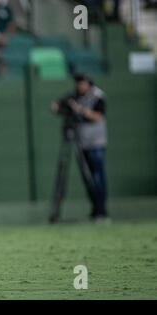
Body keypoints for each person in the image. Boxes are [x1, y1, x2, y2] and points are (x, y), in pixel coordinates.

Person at [50, 74, 108, 223]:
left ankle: (101, 211)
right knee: (87, 177)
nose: (80, 87)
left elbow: (98, 117)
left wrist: (81, 110)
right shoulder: (74, 95)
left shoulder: (97, 96)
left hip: (95, 143)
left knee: (96, 178)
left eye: (82, 84)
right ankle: (95, 211)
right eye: (78, 84)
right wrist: (57, 106)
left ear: (89, 84)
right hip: (81, 143)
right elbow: (59, 105)